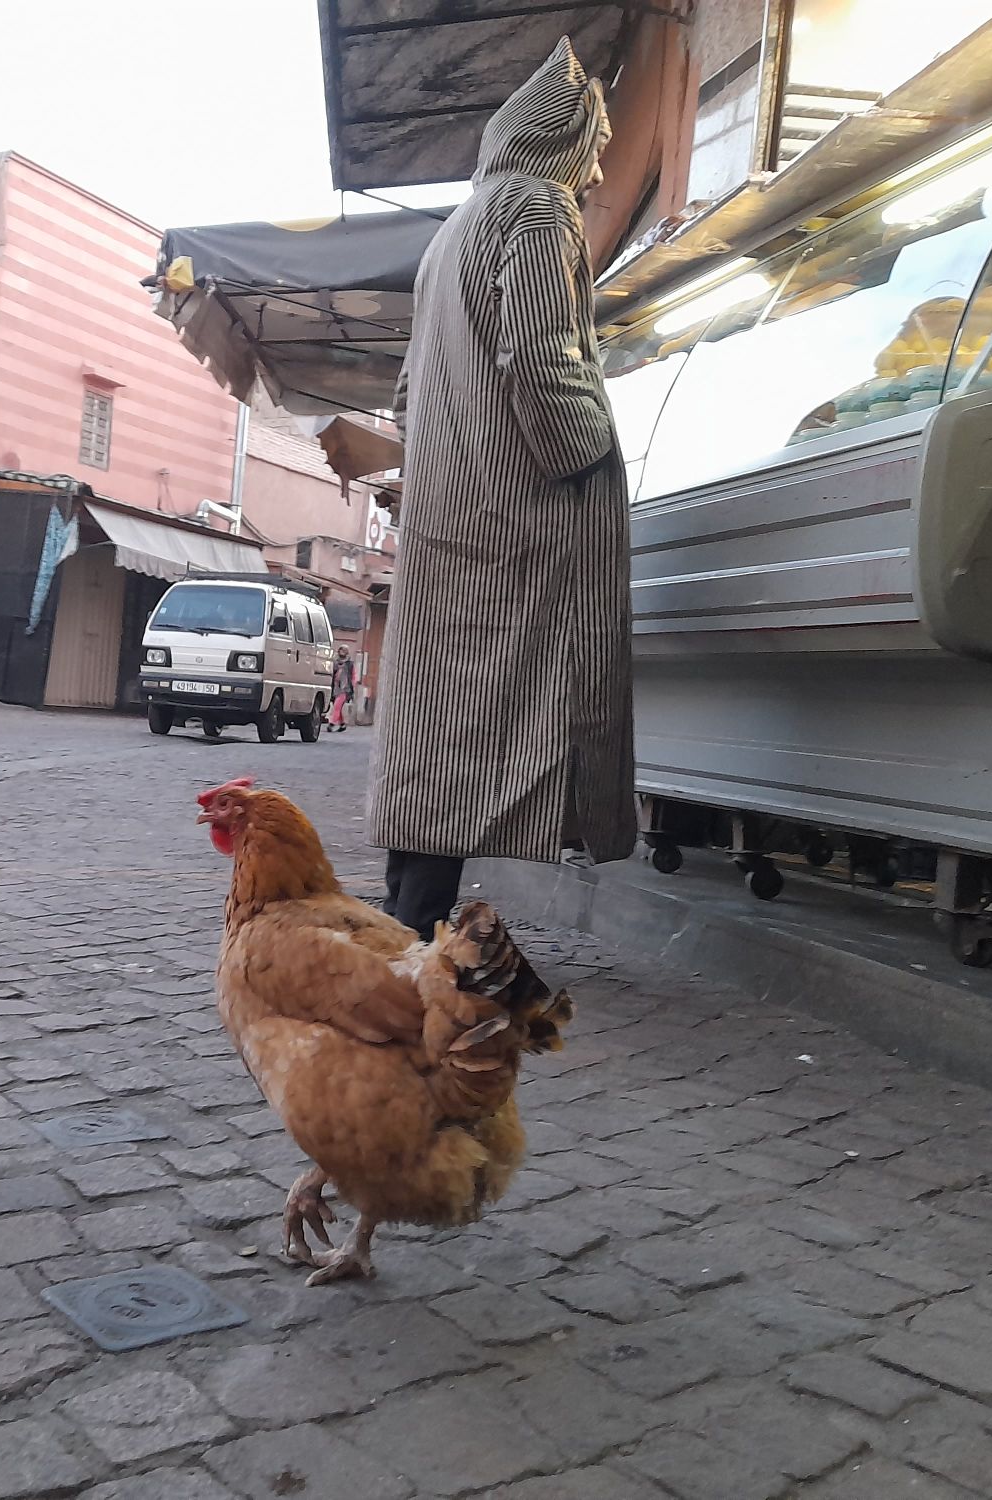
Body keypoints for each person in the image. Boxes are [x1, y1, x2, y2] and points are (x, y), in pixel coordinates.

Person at [366, 36, 636, 942]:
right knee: (492, 711)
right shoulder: (535, 209)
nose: (599, 166)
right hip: (516, 519)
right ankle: (416, 925)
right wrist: (589, 450)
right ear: (555, 137)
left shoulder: (456, 228)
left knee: (442, 720)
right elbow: (540, 355)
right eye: (592, 143)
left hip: (458, 515)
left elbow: (409, 390)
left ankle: (411, 904)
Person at [327, 647, 357, 733]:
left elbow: (353, 675)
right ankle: (342, 724)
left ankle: (332, 723)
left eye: (344, 651)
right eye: (341, 650)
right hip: (336, 687)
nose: (342, 652)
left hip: (345, 688)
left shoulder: (349, 664)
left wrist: (352, 686)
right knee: (338, 707)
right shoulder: (335, 662)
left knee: (337, 705)